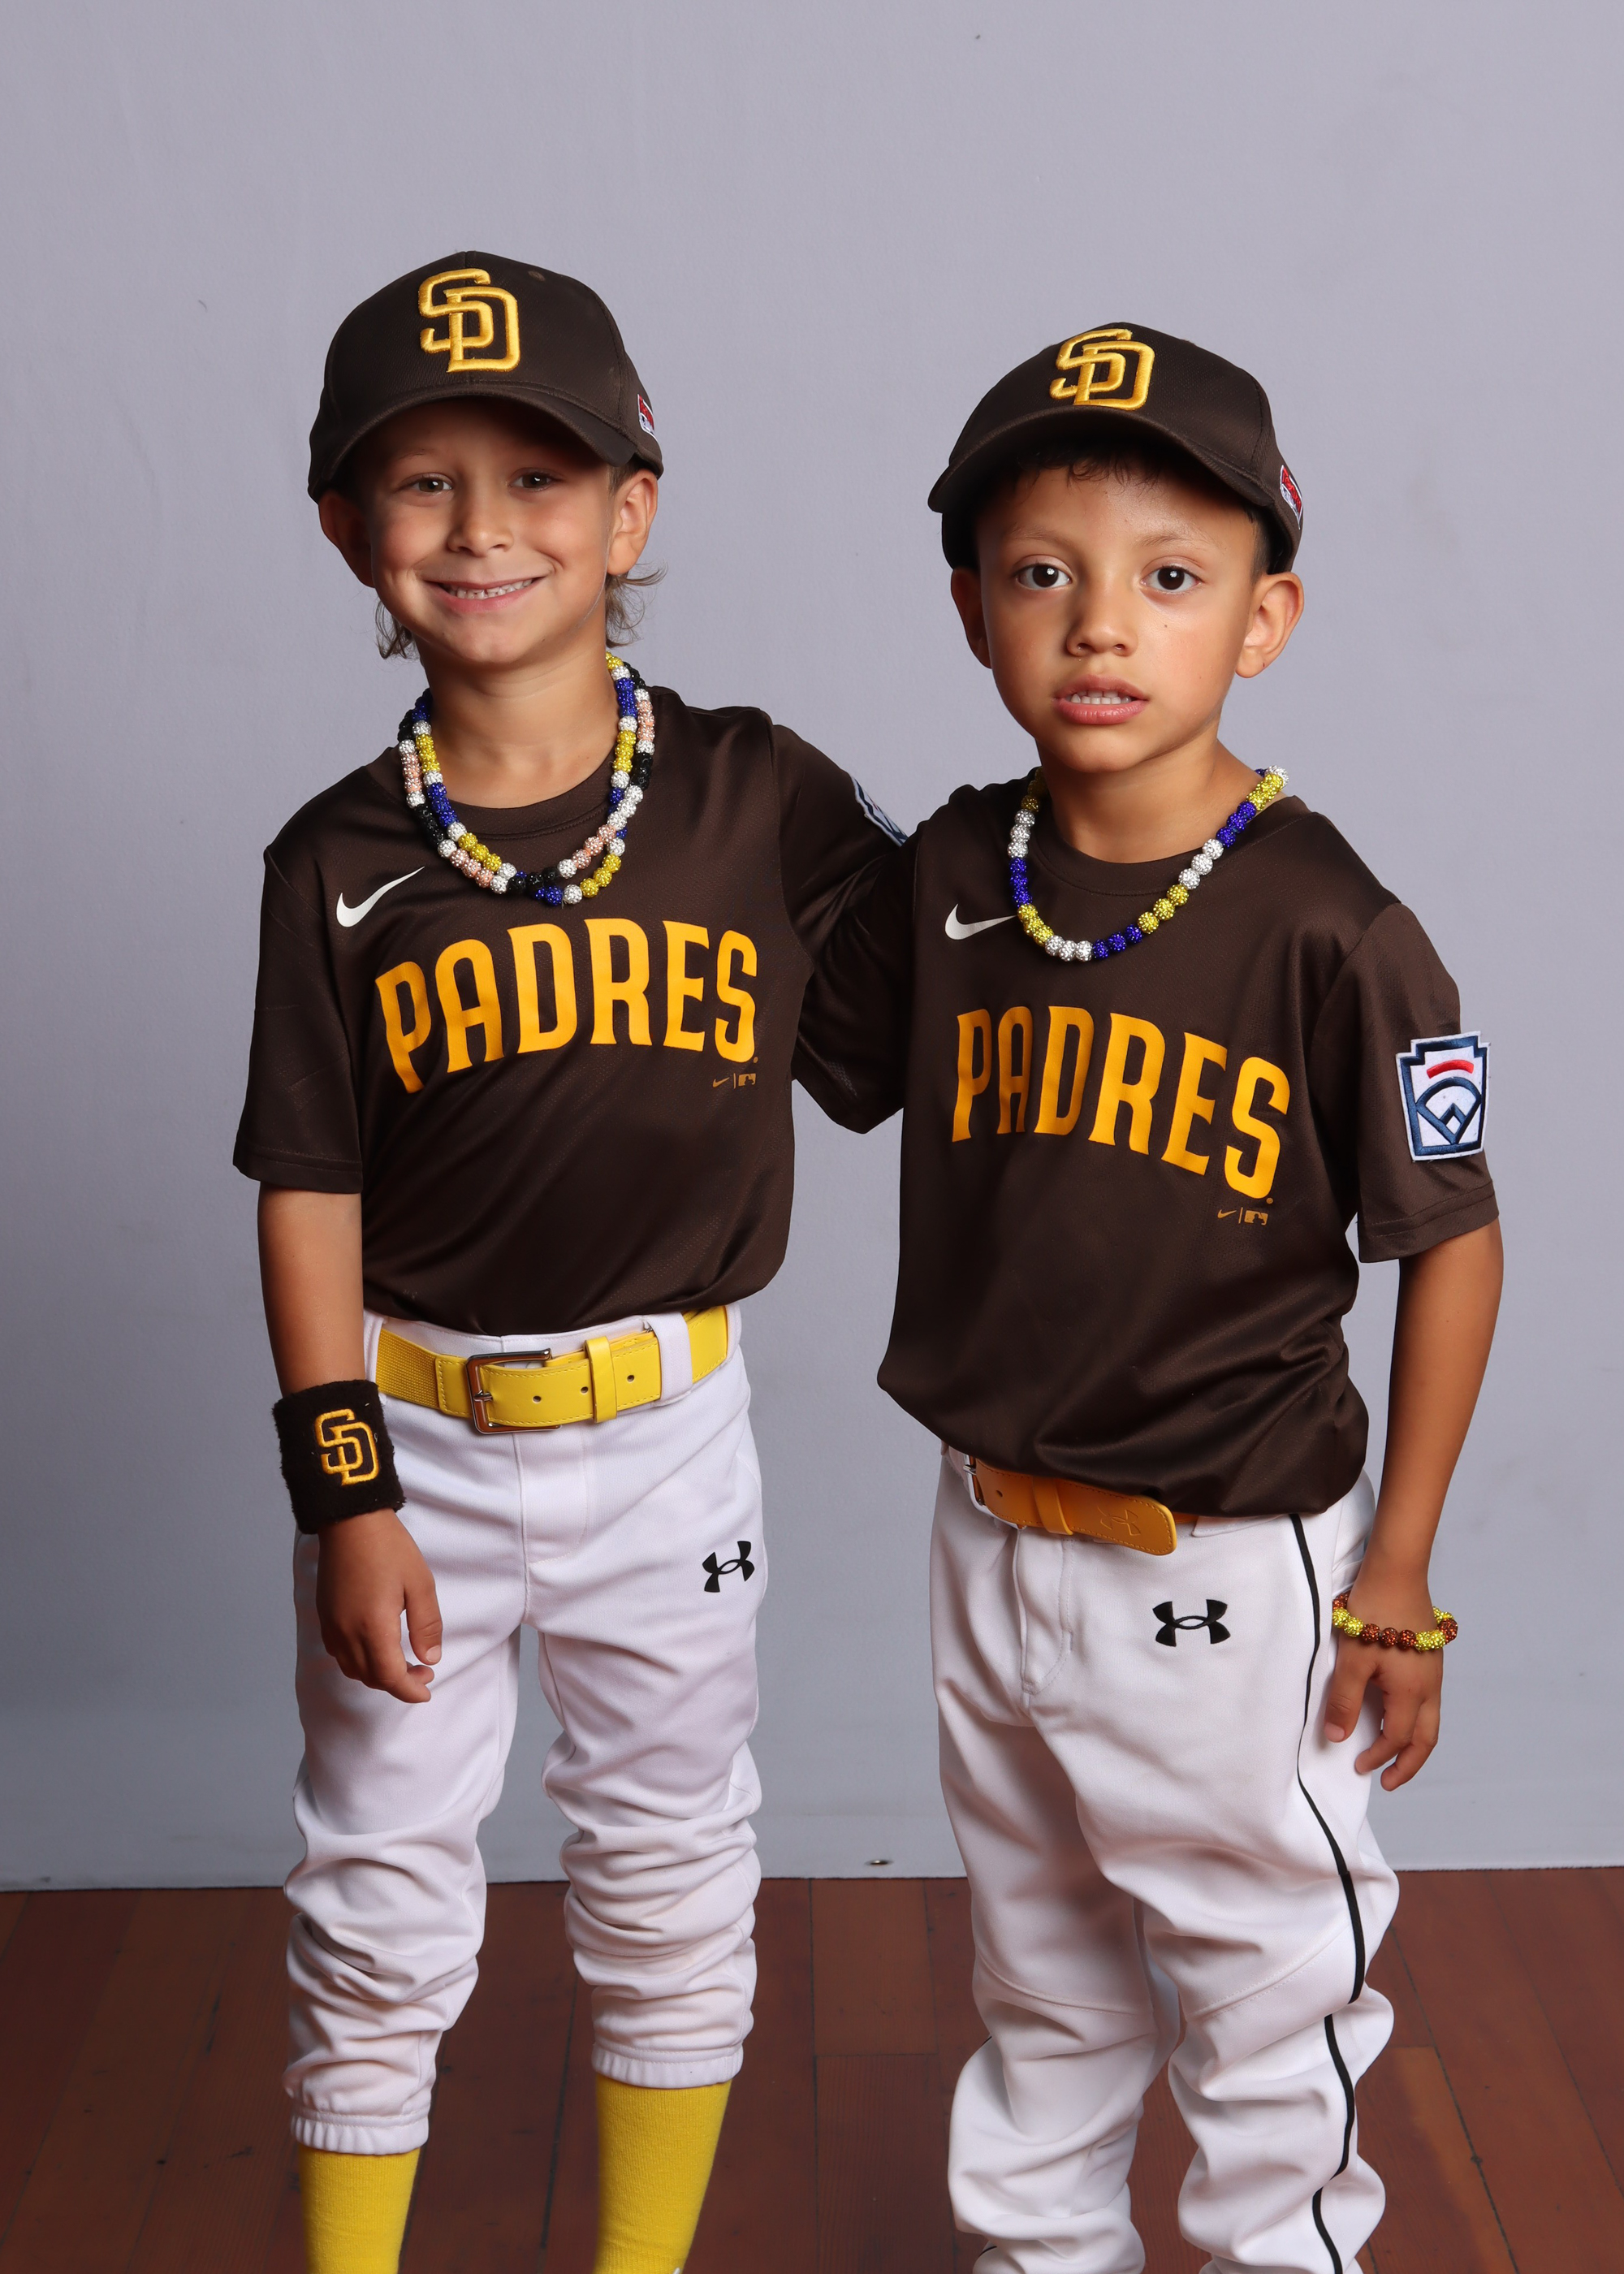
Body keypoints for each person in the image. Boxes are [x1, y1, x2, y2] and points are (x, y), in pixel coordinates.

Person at [794, 322, 1502, 2274]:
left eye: (1171, 576)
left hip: (1232, 1559)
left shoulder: (1334, 921)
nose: (1101, 622)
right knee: (1041, 1990)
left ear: (1264, 619)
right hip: (986, 1533)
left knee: (1268, 2004)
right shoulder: (960, 865)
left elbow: (1450, 1233)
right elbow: (791, 1039)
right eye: (1043, 570)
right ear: (972, 610)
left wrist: (1400, 1568)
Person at [235, 252, 900, 2274]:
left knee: (671, 1862)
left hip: (670, 1434)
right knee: (376, 1880)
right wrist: (344, 1494)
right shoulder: (338, 857)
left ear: (631, 510)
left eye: (537, 475)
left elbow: (942, 1022)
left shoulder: (756, 790)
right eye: (422, 481)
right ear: (347, 527)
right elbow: (307, 1190)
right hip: (418, 1435)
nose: (482, 527)